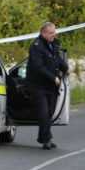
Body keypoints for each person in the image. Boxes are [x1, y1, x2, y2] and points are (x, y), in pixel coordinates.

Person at [26, 21, 69, 150]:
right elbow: (38, 67)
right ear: (43, 33)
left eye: (54, 32)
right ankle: (46, 140)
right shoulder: (36, 46)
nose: (53, 35)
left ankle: (43, 137)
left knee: (49, 113)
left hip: (51, 86)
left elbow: (57, 60)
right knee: (44, 113)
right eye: (51, 33)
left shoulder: (53, 44)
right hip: (38, 85)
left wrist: (66, 68)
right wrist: (53, 77)